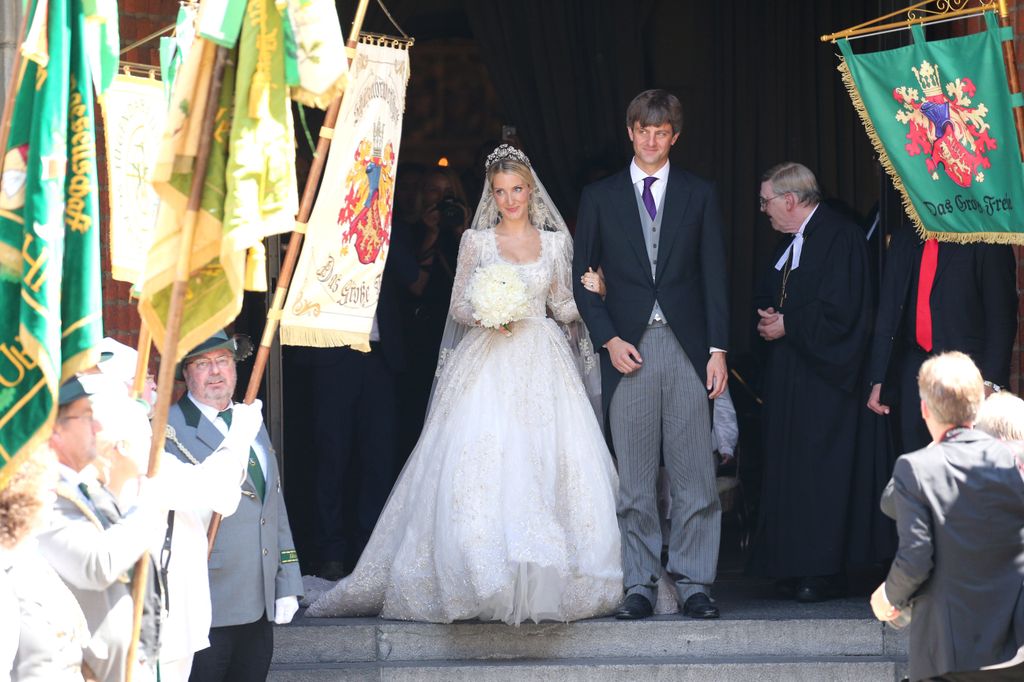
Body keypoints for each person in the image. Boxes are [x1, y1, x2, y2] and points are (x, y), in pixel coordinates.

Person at [306, 144, 622, 625]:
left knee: (545, 459)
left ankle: (545, 578)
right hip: (488, 359)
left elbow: (561, 307)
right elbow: (457, 308)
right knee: (480, 459)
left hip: (541, 358)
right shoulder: (475, 241)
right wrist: (488, 314)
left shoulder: (556, 245)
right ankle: (480, 575)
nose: (510, 199)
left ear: (530, 189)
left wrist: (596, 294)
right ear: (490, 195)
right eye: (500, 192)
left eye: (517, 190)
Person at [573, 88, 727, 620]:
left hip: (687, 348)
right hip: (627, 349)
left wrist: (718, 349)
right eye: (644, 130)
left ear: (674, 137)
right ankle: (638, 583)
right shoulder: (599, 196)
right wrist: (609, 339)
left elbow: (715, 276)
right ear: (630, 132)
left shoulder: (700, 193)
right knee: (635, 478)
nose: (652, 139)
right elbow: (580, 278)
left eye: (662, 132)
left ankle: (694, 581)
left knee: (694, 477)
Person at [88, 345, 262, 682]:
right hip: (149, 619)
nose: (154, 385)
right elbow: (219, 492)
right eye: (144, 378)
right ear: (120, 390)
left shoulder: (138, 441)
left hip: (165, 613)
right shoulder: (124, 451)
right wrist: (240, 434)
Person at [749, 162, 871, 601]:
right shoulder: (792, 241)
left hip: (824, 384)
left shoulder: (841, 237)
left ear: (790, 200)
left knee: (817, 473)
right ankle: (789, 563)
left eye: (766, 202)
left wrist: (790, 326)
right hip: (791, 377)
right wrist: (768, 317)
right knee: (788, 467)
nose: (763, 210)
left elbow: (846, 312)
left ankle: (819, 571)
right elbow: (777, 292)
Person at [870, 352, 1024, 681]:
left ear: (925, 409)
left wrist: (888, 598)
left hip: (949, 649)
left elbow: (915, 558)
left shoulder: (918, 467)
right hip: (1014, 641)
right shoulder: (1012, 458)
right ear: (976, 407)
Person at [163, 331, 302, 682]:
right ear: (186, 373)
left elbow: (272, 506)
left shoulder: (248, 420)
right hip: (205, 602)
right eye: (202, 364)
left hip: (258, 602)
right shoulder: (166, 430)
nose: (215, 372)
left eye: (223, 361)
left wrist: (288, 580)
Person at [297, 213, 418, 581]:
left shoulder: (390, 226)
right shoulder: (324, 222)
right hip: (335, 354)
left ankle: (371, 551)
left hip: (381, 358)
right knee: (331, 454)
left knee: (378, 456)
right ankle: (330, 551)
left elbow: (411, 276)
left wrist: (383, 231)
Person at [35, 376, 167, 682]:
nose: (96, 428)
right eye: (86, 417)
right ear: (56, 429)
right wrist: (146, 507)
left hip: (124, 665)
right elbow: (96, 565)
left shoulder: (84, 486)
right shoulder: (40, 495)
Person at [866, 222, 1017, 454]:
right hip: (913, 369)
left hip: (966, 374)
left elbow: (1001, 317)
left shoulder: (984, 235)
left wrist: (991, 383)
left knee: (966, 464)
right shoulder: (905, 238)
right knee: (916, 458)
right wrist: (879, 378)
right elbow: (888, 310)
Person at [2, 445, 89, 682]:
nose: (55, 498)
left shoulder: (31, 557)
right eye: (49, 489)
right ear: (20, 494)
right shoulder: (6, 570)